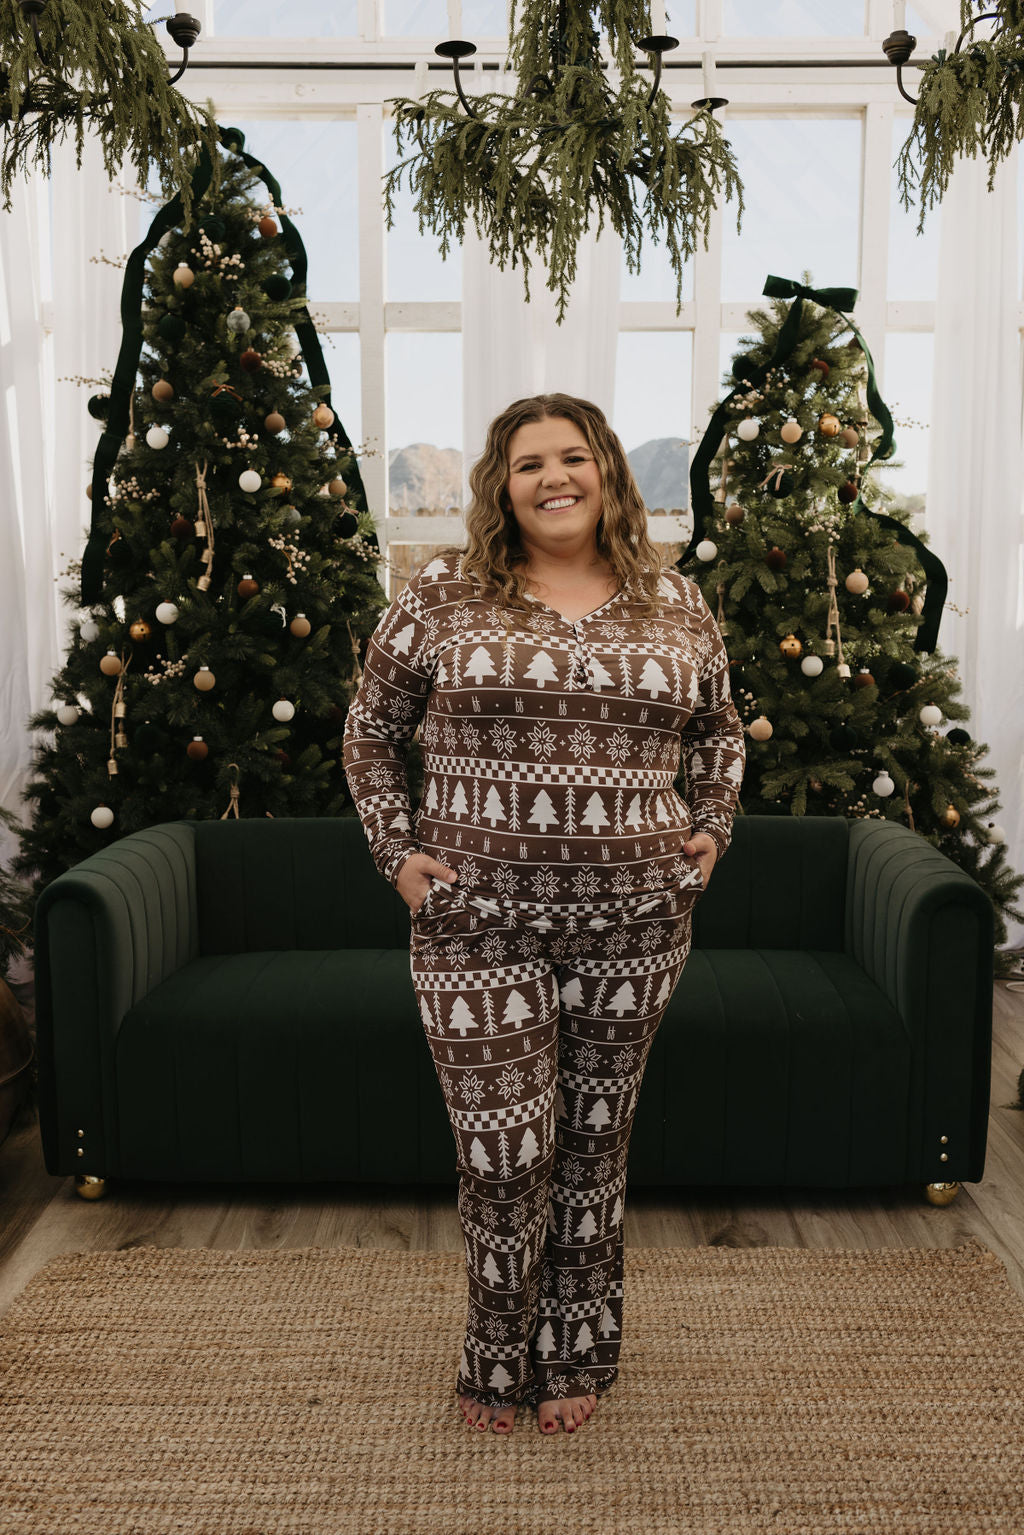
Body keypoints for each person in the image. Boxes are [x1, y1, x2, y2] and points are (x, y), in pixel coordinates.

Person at [341, 392, 745, 1438]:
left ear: (606, 471)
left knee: (593, 1146)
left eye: (573, 457)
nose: (553, 477)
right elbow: (370, 730)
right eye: (529, 463)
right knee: (502, 1152)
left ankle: (575, 1350)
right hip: (475, 922)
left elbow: (718, 728)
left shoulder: (676, 600)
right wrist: (398, 854)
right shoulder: (443, 594)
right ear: (502, 485)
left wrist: (711, 823)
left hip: (637, 922)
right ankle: (492, 1350)